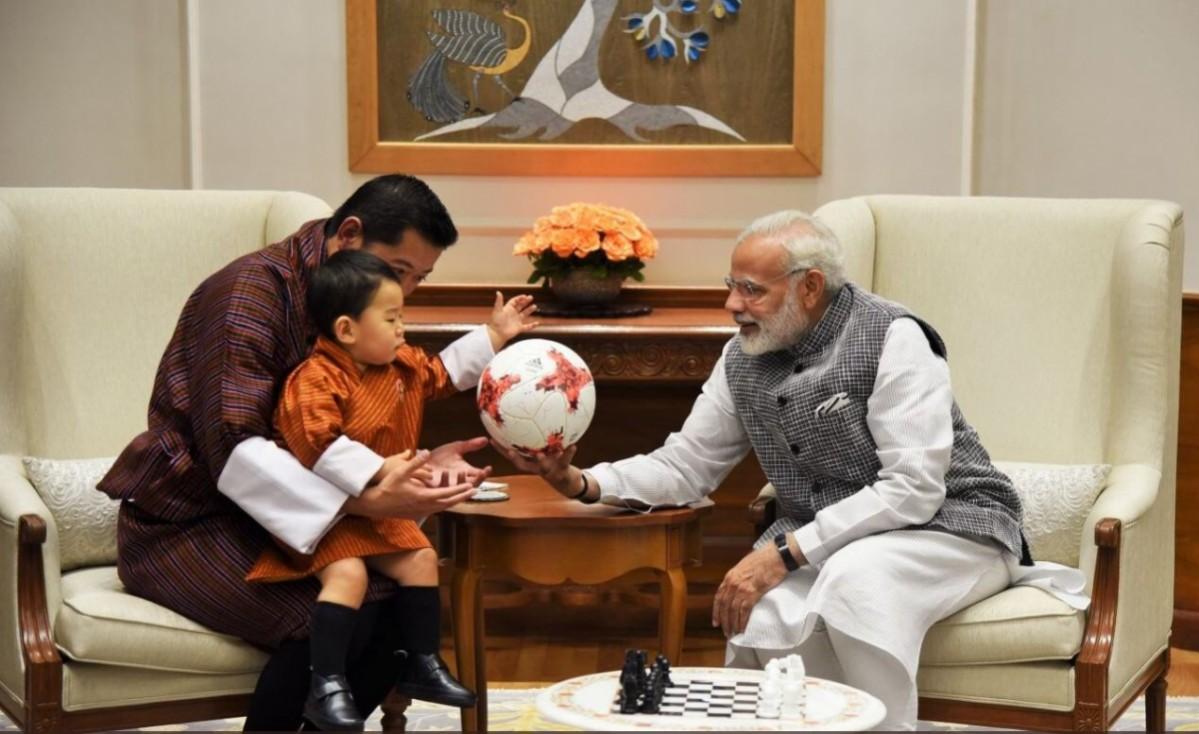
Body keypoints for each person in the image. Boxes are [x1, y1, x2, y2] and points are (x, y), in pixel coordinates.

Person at [498, 210, 1087, 731]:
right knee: (765, 611)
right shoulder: (741, 357)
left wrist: (781, 555)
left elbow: (913, 489)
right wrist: (578, 481)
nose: (732, 305)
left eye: (751, 290)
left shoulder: (894, 337)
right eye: (731, 286)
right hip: (829, 546)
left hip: (954, 528)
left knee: (857, 579)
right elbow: (686, 464)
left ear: (809, 288)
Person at [98, 174, 537, 731]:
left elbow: (374, 415)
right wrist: (369, 500)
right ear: (349, 234)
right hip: (188, 524)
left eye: (418, 279)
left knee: (399, 608)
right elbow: (234, 450)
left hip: (289, 521)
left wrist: (416, 464)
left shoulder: (360, 299)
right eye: (400, 271)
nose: (406, 292)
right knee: (329, 618)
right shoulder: (247, 297)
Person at [246, 250, 528, 729]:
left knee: (420, 559)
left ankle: (421, 661)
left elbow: (441, 372)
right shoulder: (313, 379)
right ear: (346, 329)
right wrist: (380, 471)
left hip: (378, 513)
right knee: (349, 577)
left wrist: (494, 335)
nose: (403, 328)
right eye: (392, 317)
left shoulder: (400, 367)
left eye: (403, 317)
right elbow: (319, 444)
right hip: (329, 514)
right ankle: (327, 683)